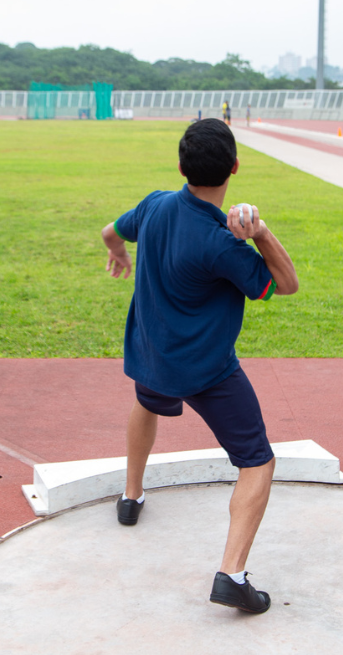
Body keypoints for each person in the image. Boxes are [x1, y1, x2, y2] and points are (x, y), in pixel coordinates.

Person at [101, 118, 298, 614]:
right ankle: (232, 575)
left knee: (146, 402)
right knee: (257, 461)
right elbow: (286, 284)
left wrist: (118, 251)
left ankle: (131, 495)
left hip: (152, 355)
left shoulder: (154, 205)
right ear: (235, 168)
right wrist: (260, 232)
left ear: (180, 166)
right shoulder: (222, 244)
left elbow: (110, 231)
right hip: (207, 371)